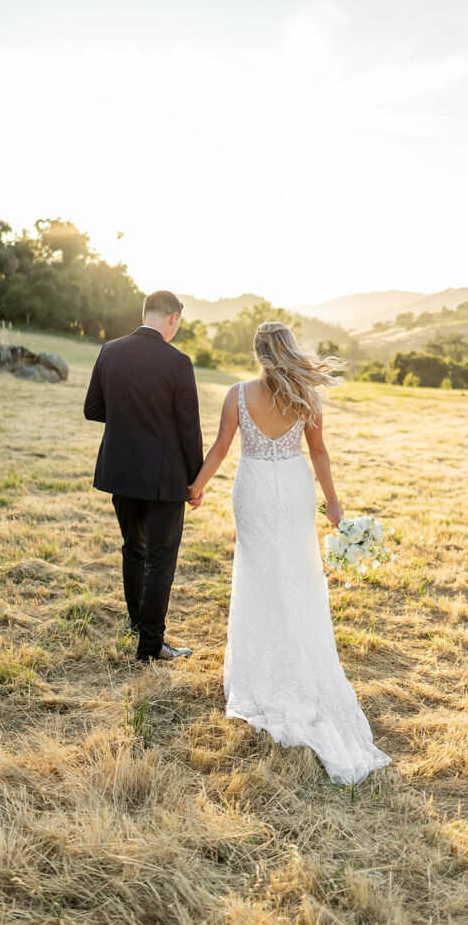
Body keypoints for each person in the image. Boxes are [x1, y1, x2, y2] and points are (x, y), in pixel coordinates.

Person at [188, 322, 392, 784]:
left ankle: (265, 673)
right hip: (295, 489)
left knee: (260, 576)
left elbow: (222, 447)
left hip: (255, 489)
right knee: (298, 576)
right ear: (291, 352)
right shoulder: (307, 398)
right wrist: (334, 507)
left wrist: (197, 487)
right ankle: (299, 664)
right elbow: (318, 453)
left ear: (259, 354)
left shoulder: (238, 393)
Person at [83, 290, 204, 662]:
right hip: (164, 478)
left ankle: (138, 628)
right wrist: (195, 482)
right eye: (179, 322)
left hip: (121, 471)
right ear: (172, 318)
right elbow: (188, 428)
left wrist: (128, 421)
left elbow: (93, 409)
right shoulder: (178, 362)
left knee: (133, 552)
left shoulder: (110, 350)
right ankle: (150, 648)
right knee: (160, 561)